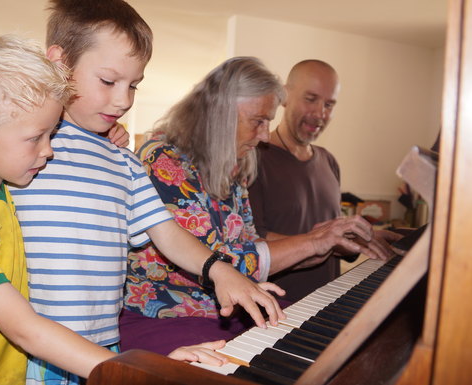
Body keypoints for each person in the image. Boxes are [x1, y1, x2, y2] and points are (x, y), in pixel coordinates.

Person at [0, 0, 285, 385]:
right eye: (109, 80)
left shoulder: (119, 159)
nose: (123, 99)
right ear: (60, 64)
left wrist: (218, 270)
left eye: (134, 85)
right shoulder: (20, 140)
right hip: (34, 354)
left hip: (101, 345)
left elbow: (166, 232)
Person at [119, 56, 390, 355]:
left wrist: (325, 242)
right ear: (220, 114)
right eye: (258, 121)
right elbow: (221, 262)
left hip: (224, 313)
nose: (264, 136)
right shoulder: (165, 160)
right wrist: (314, 242)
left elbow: (250, 245)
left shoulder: (234, 166)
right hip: (167, 316)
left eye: (268, 122)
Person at [248, 59, 399, 302]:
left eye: (329, 104)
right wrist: (325, 241)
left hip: (324, 308)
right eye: (310, 99)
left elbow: (330, 233)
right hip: (275, 311)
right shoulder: (253, 157)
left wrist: (359, 238)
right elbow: (251, 243)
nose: (320, 114)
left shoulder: (329, 161)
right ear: (284, 96)